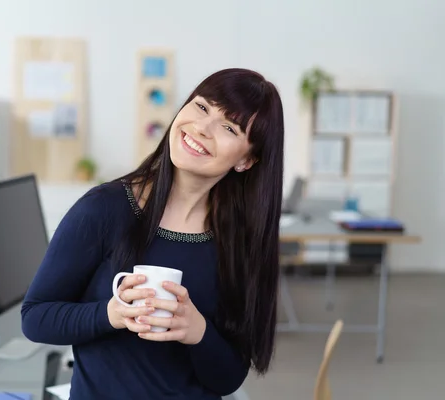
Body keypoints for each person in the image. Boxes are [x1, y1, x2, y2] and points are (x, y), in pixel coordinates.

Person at [21, 68, 284, 400]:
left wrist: (198, 332)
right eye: (202, 107)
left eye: (229, 127)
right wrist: (111, 313)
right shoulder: (103, 209)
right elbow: (35, 317)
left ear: (247, 160)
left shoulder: (242, 241)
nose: (202, 128)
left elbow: (229, 379)